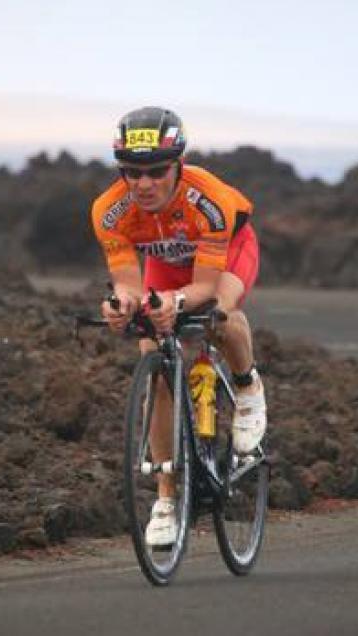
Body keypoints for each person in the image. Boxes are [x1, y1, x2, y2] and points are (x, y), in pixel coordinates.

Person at [91, 106, 267, 547]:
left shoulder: (206, 199)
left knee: (217, 314)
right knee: (153, 354)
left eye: (156, 172)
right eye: (132, 172)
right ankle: (166, 498)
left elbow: (206, 286)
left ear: (178, 165)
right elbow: (129, 282)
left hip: (225, 256)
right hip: (168, 267)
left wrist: (174, 302)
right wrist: (122, 303)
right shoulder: (109, 211)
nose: (143, 183)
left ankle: (247, 387)